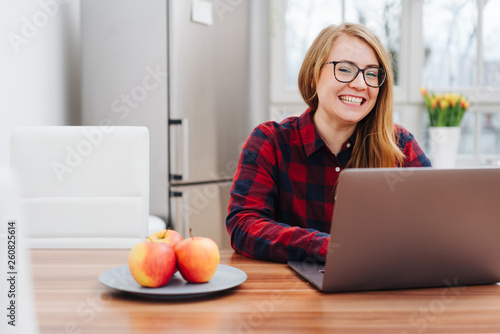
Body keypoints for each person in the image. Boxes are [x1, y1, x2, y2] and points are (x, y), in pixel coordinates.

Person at [226, 23, 431, 263]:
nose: (360, 84)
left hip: (376, 291)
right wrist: (328, 247)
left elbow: (435, 221)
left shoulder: (400, 146)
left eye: (372, 73)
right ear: (313, 76)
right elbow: (245, 225)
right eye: (345, 69)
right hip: (294, 295)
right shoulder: (270, 142)